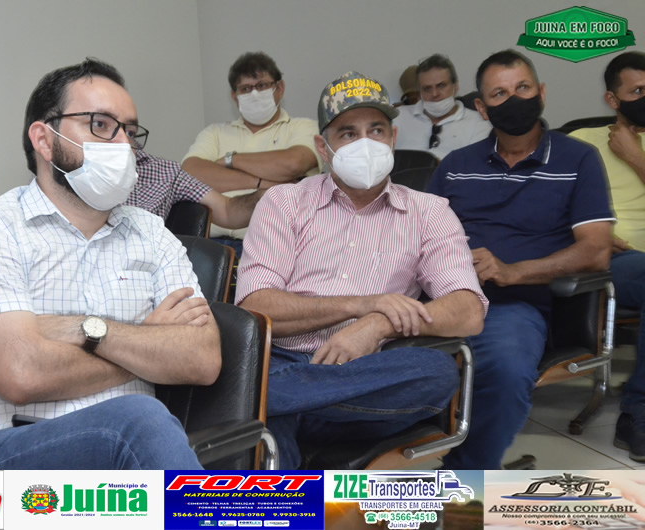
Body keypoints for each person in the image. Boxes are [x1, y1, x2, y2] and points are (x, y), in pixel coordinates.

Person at [0, 59, 221, 470]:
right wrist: (145, 343)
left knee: (135, 428)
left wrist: (85, 329)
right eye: (100, 125)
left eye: (129, 131)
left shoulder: (152, 233)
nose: (123, 145)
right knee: (138, 420)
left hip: (116, 467)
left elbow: (203, 360)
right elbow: (22, 374)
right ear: (44, 140)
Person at [236, 71, 487, 470]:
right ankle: (281, 411)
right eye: (348, 134)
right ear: (323, 147)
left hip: (366, 377)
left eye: (377, 130)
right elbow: (257, 307)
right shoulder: (284, 203)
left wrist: (377, 324)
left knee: (436, 373)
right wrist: (362, 305)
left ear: (393, 138)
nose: (365, 143)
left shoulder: (429, 212)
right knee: (269, 444)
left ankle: (258, 399)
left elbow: (467, 310)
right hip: (283, 358)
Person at [427, 50, 614, 469]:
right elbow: (416, 235)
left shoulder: (578, 158)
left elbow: (596, 250)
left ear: (541, 93)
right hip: (442, 296)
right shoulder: (456, 165)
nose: (513, 100)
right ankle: (333, 486)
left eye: (523, 88)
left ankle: (468, 479)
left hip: (514, 305)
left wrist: (512, 272)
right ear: (482, 107)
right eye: (499, 93)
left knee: (504, 368)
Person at [569, 51, 645, 462]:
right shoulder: (583, 141)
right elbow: (554, 207)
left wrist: (635, 157)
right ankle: (637, 411)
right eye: (638, 91)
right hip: (615, 258)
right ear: (613, 100)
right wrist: (596, 233)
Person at [182, 51, 321, 247]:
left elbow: (293, 163)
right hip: (210, 245)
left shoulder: (304, 127)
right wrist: (262, 183)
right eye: (245, 88)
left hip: (274, 245)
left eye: (262, 85)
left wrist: (230, 160)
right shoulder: (214, 133)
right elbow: (189, 174)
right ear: (234, 96)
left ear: (279, 88)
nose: (254, 94)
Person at [126, 149, 262, 230]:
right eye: (117, 128)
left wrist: (268, 196)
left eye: (130, 132)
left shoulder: (163, 172)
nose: (123, 138)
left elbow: (227, 210)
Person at [394, 54, 491, 159]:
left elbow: (476, 164)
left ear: (455, 86)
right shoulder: (398, 117)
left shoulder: (479, 124)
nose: (434, 94)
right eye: (427, 88)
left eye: (441, 86)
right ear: (420, 92)